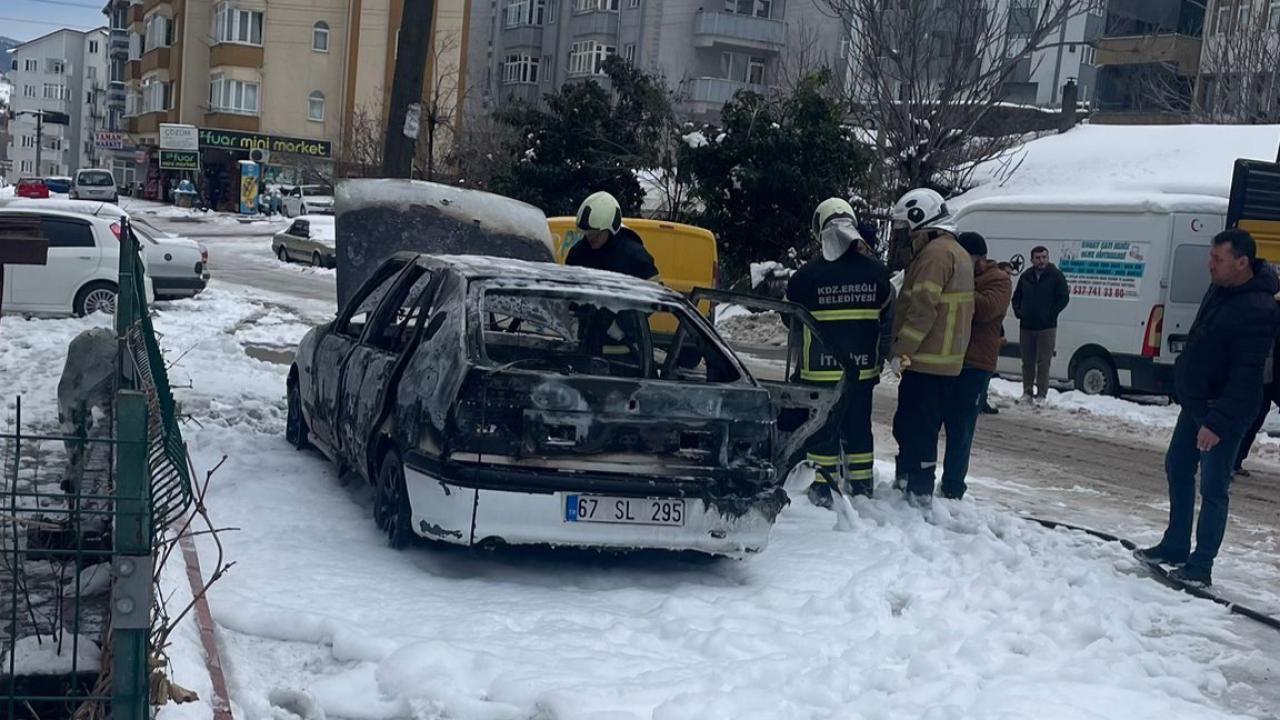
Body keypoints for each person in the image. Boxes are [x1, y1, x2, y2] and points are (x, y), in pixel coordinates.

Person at [1136, 229, 1279, 587]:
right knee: (1178, 466)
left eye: (1217, 259)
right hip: (1198, 401)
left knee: (1214, 488)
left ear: (1242, 263)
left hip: (1224, 411)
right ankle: (1175, 546)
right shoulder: (1220, 288)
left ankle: (1200, 567)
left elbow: (1247, 376)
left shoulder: (1259, 308)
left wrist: (1217, 421)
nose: (1209, 265)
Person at [786, 198, 893, 505]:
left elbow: (789, 317)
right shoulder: (877, 273)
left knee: (823, 432)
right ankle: (861, 488)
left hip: (818, 373)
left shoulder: (806, 277)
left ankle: (823, 488)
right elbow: (886, 318)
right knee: (859, 429)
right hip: (861, 371)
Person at [888, 189, 975, 506]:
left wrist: (901, 350)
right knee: (917, 425)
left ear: (918, 218)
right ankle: (913, 480)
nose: (904, 237)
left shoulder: (934, 256)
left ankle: (917, 487)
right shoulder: (955, 251)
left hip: (927, 362)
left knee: (916, 427)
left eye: (905, 229)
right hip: (945, 362)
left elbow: (922, 309)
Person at [939, 232, 1011, 500]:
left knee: (961, 429)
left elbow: (985, 309)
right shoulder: (966, 276)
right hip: (949, 358)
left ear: (978, 259)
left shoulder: (999, 280)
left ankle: (953, 487)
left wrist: (959, 288)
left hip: (975, 363)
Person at [1011, 245, 1070, 404]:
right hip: (1026, 326)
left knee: (1043, 362)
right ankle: (1027, 392)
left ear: (1048, 258)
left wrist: (1051, 313)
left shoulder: (1056, 276)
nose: (1041, 260)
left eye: (1044, 257)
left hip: (1047, 327)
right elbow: (1016, 297)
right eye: (1038, 258)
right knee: (1027, 362)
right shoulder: (1026, 276)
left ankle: (1042, 394)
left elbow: (1063, 298)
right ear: (1032, 259)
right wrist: (1019, 312)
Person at [565, 191, 659, 281]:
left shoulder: (636, 258)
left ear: (611, 229)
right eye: (587, 233)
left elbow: (655, 294)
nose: (591, 238)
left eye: (596, 233)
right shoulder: (577, 254)